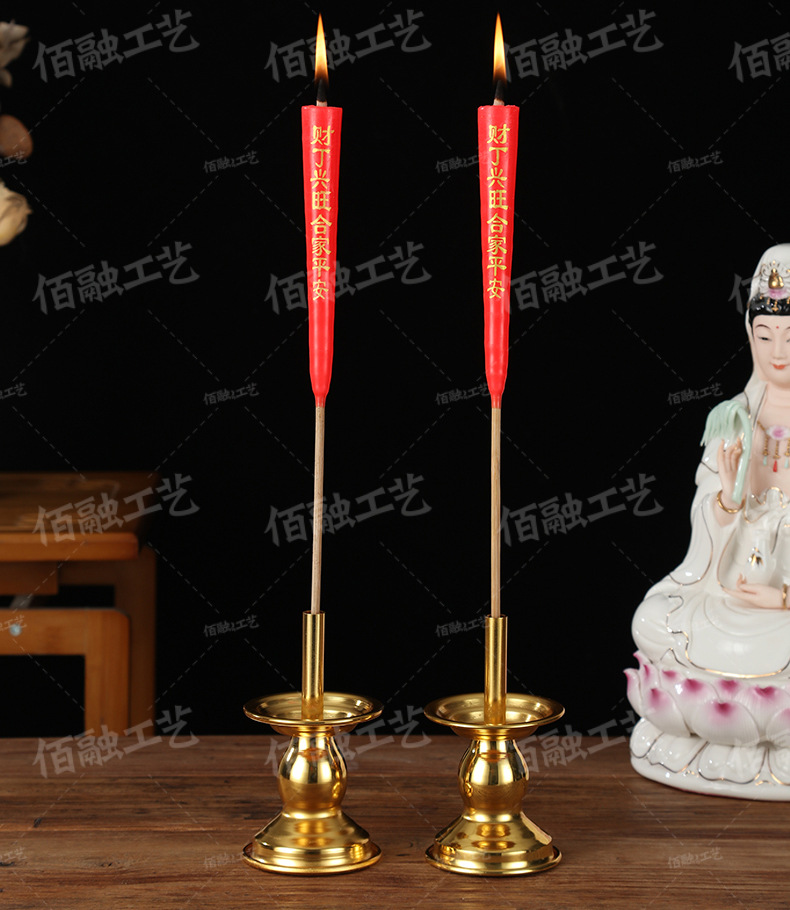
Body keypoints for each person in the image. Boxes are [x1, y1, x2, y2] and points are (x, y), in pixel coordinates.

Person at [627, 244, 790, 798]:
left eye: (789, 337)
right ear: (750, 336)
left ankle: (715, 734)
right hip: (729, 591)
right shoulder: (732, 418)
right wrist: (728, 496)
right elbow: (707, 529)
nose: (778, 352)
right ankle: (732, 728)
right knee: (654, 622)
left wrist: (783, 596)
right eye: (765, 336)